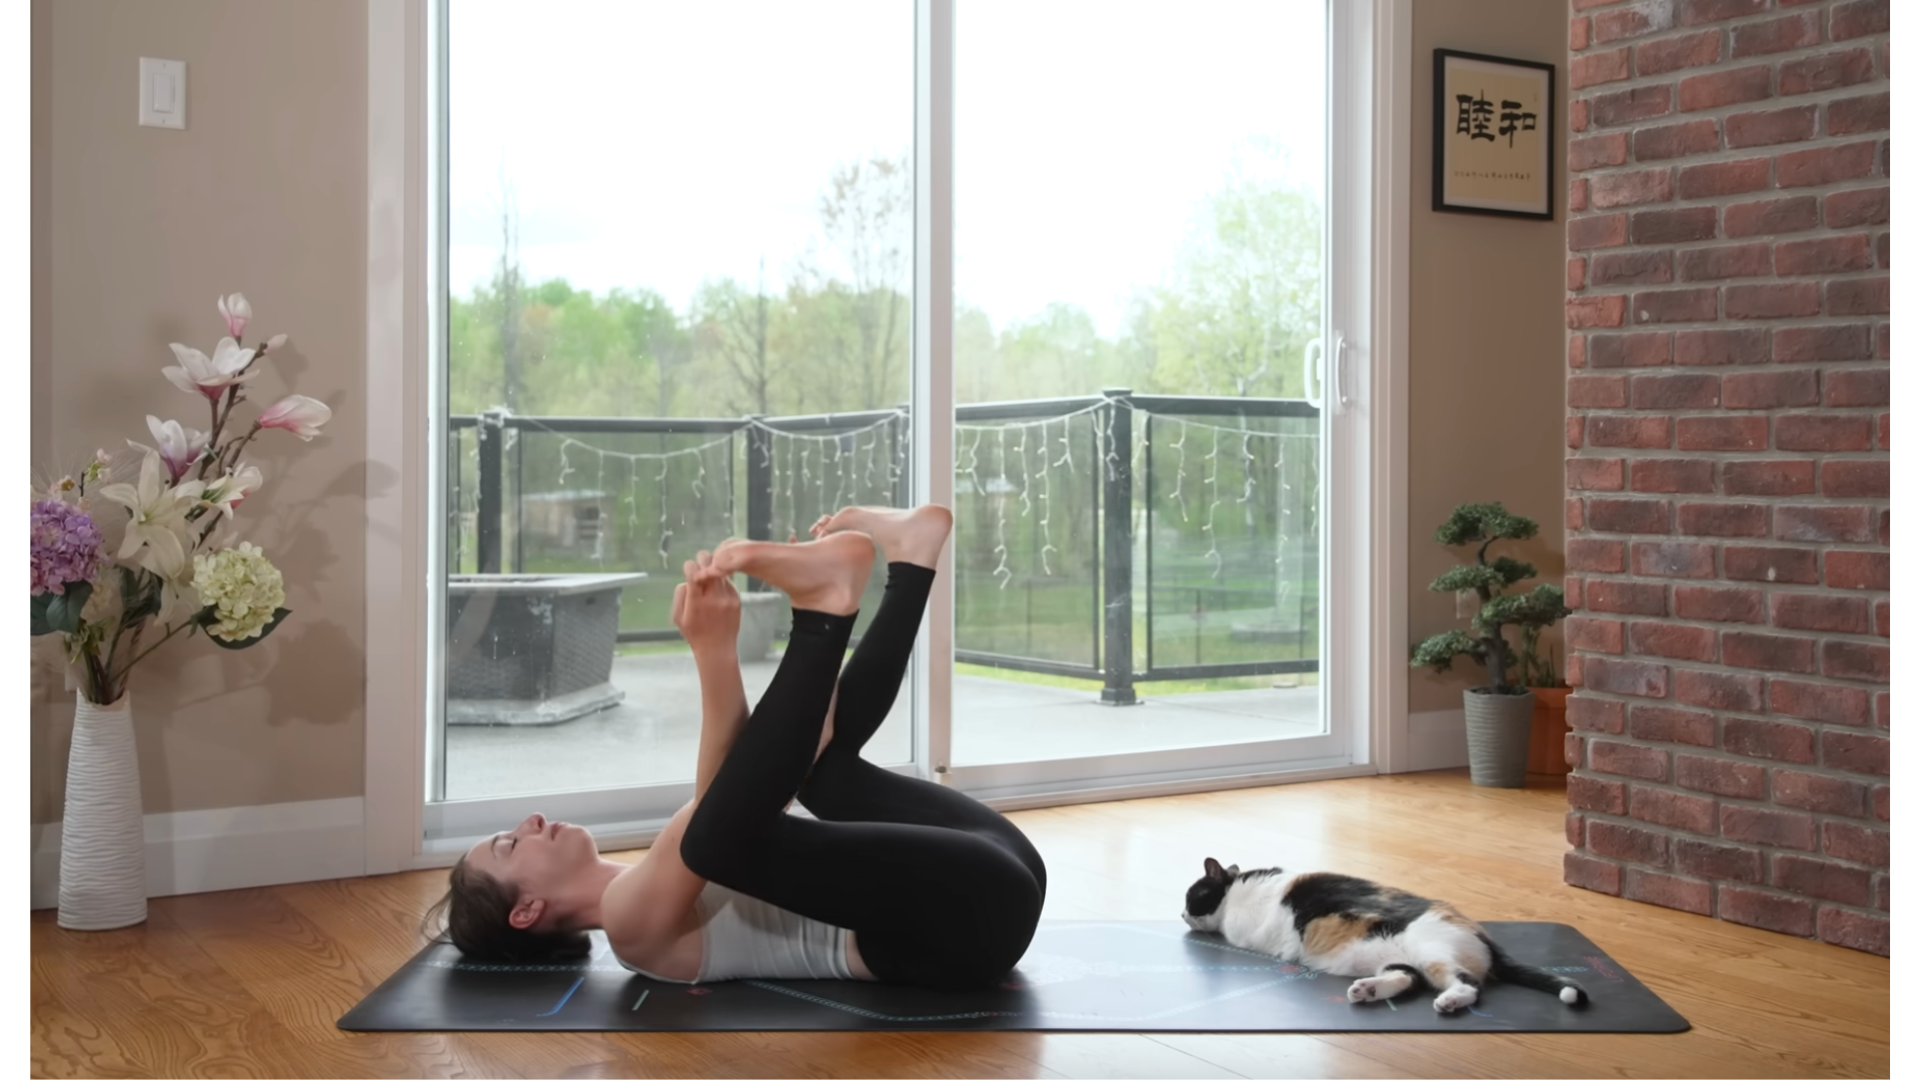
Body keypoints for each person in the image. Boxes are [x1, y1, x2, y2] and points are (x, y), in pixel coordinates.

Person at [425, 505, 1047, 991]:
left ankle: (908, 561)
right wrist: (718, 653)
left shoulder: (653, 877)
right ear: (527, 910)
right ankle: (826, 606)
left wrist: (722, 653)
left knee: (811, 779)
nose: (529, 822)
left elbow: (745, 785)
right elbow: (728, 805)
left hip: (995, 871)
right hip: (965, 927)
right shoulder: (631, 930)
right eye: (510, 844)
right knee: (725, 831)